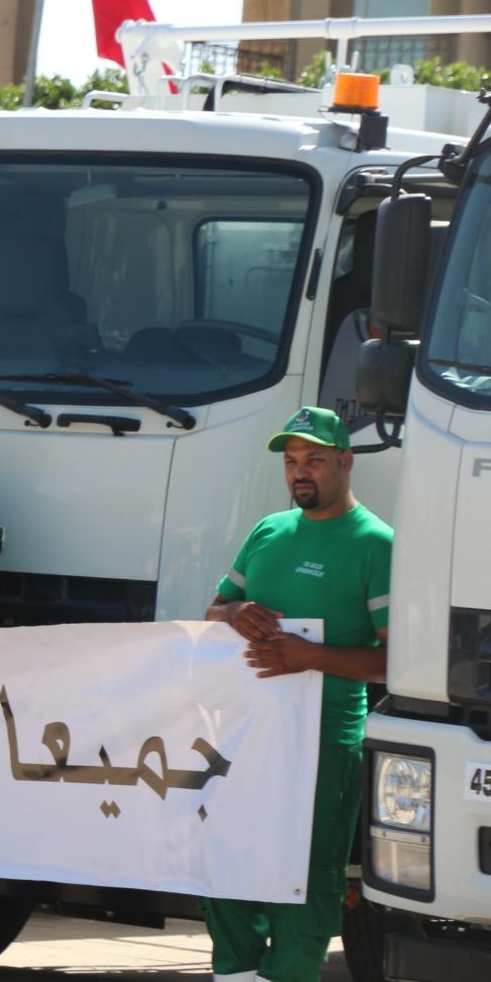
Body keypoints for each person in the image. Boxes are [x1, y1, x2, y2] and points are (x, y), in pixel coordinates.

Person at [203, 406, 390, 982]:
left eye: (313, 460)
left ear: (346, 461)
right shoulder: (268, 530)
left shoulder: (376, 543)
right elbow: (211, 613)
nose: (299, 473)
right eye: (291, 462)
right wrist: (235, 612)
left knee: (306, 880)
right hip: (244, 737)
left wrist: (314, 658)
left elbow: (399, 660)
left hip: (324, 744)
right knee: (227, 868)